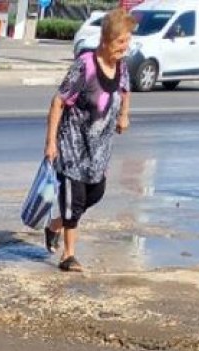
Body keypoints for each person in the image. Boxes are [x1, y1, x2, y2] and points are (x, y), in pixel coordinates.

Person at [43, 8, 134, 272]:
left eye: (127, 41)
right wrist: (51, 142)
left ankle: (55, 225)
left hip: (99, 151)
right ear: (106, 40)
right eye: (120, 42)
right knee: (75, 201)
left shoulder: (121, 67)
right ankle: (68, 256)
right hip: (73, 147)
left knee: (95, 194)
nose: (124, 48)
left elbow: (125, 91)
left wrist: (124, 115)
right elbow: (58, 101)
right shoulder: (85, 66)